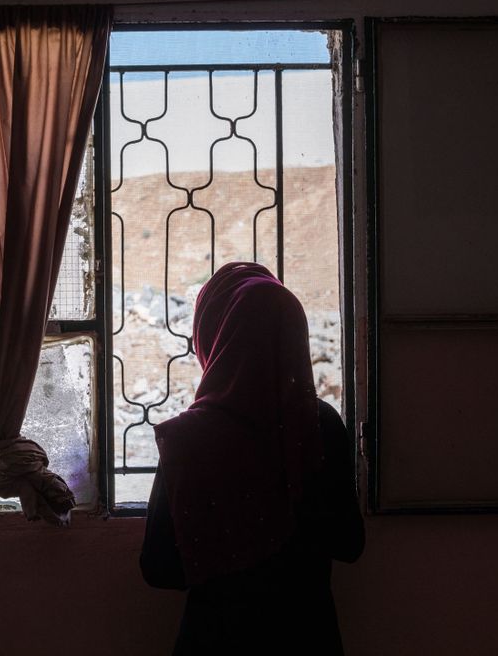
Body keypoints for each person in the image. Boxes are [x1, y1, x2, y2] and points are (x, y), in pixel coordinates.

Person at [140, 262, 364, 655]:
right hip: (308, 638)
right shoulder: (321, 424)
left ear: (214, 338)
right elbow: (349, 544)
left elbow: (159, 568)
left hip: (214, 641)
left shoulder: (189, 438)